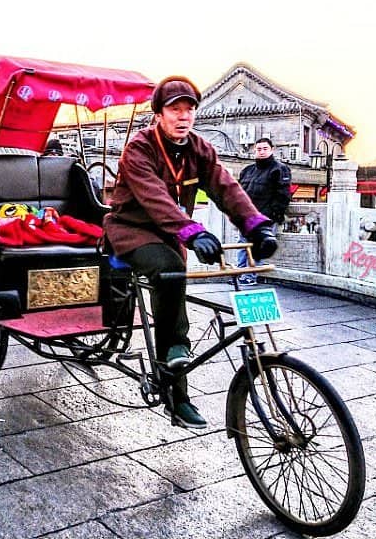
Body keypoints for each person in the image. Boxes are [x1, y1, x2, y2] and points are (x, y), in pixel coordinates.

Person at [103, 76, 278, 429]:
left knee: (175, 280)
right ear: (159, 114)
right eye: (175, 110)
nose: (183, 117)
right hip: (131, 229)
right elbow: (154, 196)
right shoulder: (139, 148)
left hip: (171, 233)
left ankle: (175, 372)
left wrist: (256, 225)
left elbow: (225, 186)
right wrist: (192, 231)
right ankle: (178, 393)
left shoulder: (199, 148)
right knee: (170, 271)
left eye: (190, 109)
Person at [236, 137, 292, 285]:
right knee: (242, 246)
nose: (261, 152)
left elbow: (283, 195)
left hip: (264, 219)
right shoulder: (248, 170)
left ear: (271, 150)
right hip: (246, 218)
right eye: (259, 149)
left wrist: (273, 216)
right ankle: (240, 274)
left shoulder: (279, 169)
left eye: (265, 149)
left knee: (258, 248)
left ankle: (251, 276)